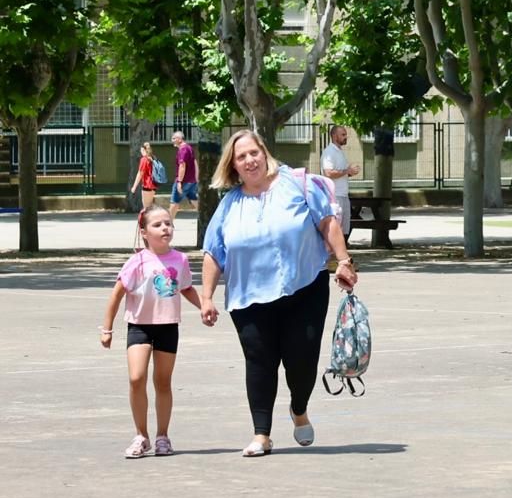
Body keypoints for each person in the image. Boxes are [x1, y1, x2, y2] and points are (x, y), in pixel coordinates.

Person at [199, 129, 358, 457]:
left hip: (303, 288)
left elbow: (327, 222)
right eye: (241, 157)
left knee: (301, 361)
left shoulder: (296, 183)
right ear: (234, 166)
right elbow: (214, 252)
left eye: (253, 153)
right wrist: (206, 297)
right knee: (259, 361)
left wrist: (343, 261)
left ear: (264, 153)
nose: (249, 161)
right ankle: (262, 434)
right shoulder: (229, 204)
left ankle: (298, 409)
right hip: (249, 296)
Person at [100, 205, 201, 458]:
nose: (165, 228)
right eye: (157, 225)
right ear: (144, 232)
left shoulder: (180, 259)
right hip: (140, 326)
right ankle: (141, 435)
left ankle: (162, 436)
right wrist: (107, 328)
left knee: (163, 382)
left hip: (168, 326)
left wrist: (205, 306)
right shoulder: (137, 262)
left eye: (168, 223)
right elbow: (117, 294)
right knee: (136, 378)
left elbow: (186, 288)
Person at [320, 125, 359, 237]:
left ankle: (341, 252)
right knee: (336, 229)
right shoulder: (329, 152)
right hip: (335, 196)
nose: (345, 137)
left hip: (344, 194)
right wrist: (347, 170)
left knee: (344, 230)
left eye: (345, 134)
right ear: (334, 136)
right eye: (343, 134)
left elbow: (343, 172)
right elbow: (328, 173)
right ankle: (334, 253)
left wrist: (351, 172)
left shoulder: (340, 152)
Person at [169, 132, 199, 216]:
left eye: (174, 138)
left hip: (184, 181)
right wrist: (196, 178)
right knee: (193, 199)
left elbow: (182, 166)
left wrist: (179, 181)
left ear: (179, 139)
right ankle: (207, 218)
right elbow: (195, 163)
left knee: (174, 202)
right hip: (191, 181)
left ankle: (169, 224)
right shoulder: (189, 148)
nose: (172, 140)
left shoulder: (183, 149)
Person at [131, 142, 156, 215]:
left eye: (141, 151)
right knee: (150, 206)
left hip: (147, 185)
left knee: (146, 208)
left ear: (143, 150)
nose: (141, 152)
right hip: (154, 185)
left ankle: (148, 224)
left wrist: (134, 187)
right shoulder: (153, 157)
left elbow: (140, 174)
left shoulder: (144, 159)